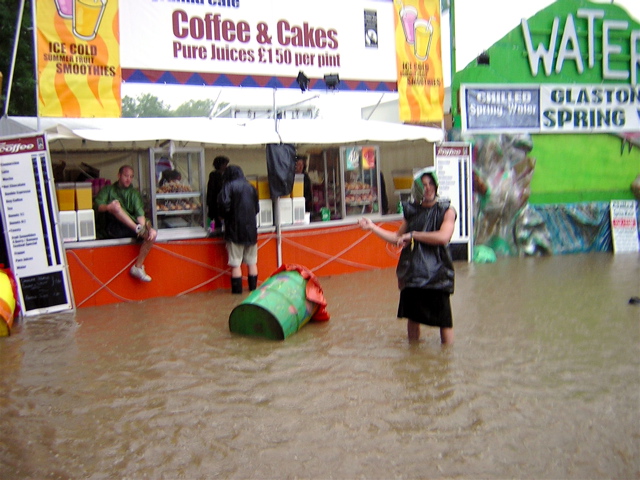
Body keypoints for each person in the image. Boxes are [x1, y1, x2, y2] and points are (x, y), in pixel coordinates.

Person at [358, 167, 456, 345]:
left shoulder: (447, 210)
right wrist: (372, 227)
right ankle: (414, 354)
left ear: (436, 185)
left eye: (430, 184)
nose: (428, 188)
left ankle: (447, 359)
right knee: (413, 319)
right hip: (413, 273)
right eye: (423, 185)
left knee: (444, 321)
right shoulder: (412, 212)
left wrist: (414, 235)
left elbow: (443, 237)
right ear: (417, 189)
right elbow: (396, 238)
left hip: (438, 274)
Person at [94, 165, 157, 282]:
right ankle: (137, 228)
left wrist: (146, 229)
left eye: (131, 177)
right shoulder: (108, 190)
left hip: (130, 228)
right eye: (126, 176)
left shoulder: (134, 193)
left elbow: (140, 215)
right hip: (112, 228)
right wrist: (109, 207)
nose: (128, 179)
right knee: (116, 206)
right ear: (118, 176)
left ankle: (138, 267)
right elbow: (98, 206)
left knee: (152, 234)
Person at [217, 165, 260, 294]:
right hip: (251, 230)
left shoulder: (228, 186)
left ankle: (237, 295)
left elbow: (223, 206)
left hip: (234, 229)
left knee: (236, 263)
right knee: (252, 262)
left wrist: (224, 217)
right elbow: (256, 209)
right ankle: (254, 291)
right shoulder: (251, 187)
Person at [206, 155, 229, 229]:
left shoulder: (226, 175)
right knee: (215, 221)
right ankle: (214, 230)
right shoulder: (214, 175)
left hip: (222, 202)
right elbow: (212, 190)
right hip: (215, 202)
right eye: (225, 164)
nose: (226, 166)